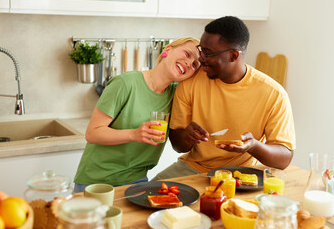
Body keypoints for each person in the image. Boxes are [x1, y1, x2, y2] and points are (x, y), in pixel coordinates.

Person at [153, 16, 295, 180]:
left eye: (208, 53)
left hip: (242, 175)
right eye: (201, 50)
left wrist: (254, 146)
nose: (200, 58)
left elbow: (284, 158)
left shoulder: (274, 94)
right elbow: (178, 145)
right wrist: (186, 136)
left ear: (234, 55)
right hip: (194, 169)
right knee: (145, 193)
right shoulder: (190, 82)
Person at [73, 37, 201, 192]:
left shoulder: (177, 95)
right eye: (187, 54)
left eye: (195, 64)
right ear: (167, 49)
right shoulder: (125, 83)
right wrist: (134, 134)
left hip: (136, 181)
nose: (189, 63)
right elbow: (92, 133)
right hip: (97, 180)